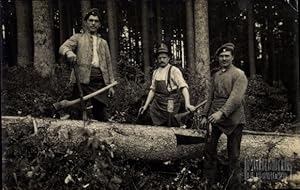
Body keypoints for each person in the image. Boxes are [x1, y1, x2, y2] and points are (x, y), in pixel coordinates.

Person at [200, 43, 248, 190]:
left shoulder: (239, 75)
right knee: (209, 151)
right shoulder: (216, 75)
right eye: (221, 56)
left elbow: (235, 99)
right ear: (218, 58)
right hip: (214, 117)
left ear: (232, 57)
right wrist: (204, 114)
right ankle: (209, 183)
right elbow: (210, 97)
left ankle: (233, 186)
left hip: (233, 118)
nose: (224, 58)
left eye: (227, 56)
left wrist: (221, 113)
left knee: (233, 156)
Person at [59, 8, 115, 121]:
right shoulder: (78, 38)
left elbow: (109, 64)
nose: (93, 23)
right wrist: (69, 52)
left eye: (96, 21)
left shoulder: (103, 43)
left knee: (100, 114)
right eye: (90, 20)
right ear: (85, 22)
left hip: (100, 81)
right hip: (82, 79)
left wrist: (111, 84)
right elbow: (63, 47)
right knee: (75, 111)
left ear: (99, 24)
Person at [139, 43, 195, 127]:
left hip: (170, 102)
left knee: (171, 124)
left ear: (168, 58)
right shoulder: (155, 72)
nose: (162, 60)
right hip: (157, 103)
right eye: (159, 58)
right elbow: (153, 90)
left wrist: (187, 103)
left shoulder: (174, 70)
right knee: (153, 123)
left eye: (164, 58)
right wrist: (145, 106)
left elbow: (183, 87)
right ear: (157, 59)